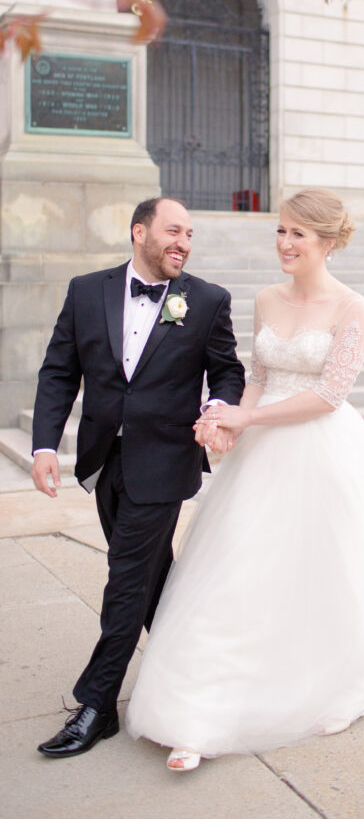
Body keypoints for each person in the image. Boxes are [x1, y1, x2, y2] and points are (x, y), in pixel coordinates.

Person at [126, 188, 364, 772]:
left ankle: (325, 677)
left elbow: (330, 395)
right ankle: (199, 708)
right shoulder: (264, 299)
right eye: (280, 231)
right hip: (261, 454)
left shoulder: (352, 308)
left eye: (297, 234)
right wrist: (226, 419)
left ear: (328, 243)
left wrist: (249, 416)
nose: (284, 243)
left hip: (323, 451)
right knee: (237, 570)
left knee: (324, 571)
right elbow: (258, 376)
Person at [31, 196, 245, 759]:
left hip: (165, 462)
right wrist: (46, 444)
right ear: (139, 233)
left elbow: (227, 370)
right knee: (151, 578)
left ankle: (97, 704)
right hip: (104, 461)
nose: (184, 243)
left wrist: (218, 410)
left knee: (126, 578)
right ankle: (199, 675)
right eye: (174, 231)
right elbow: (59, 369)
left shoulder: (206, 300)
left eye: (191, 235)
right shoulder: (86, 291)